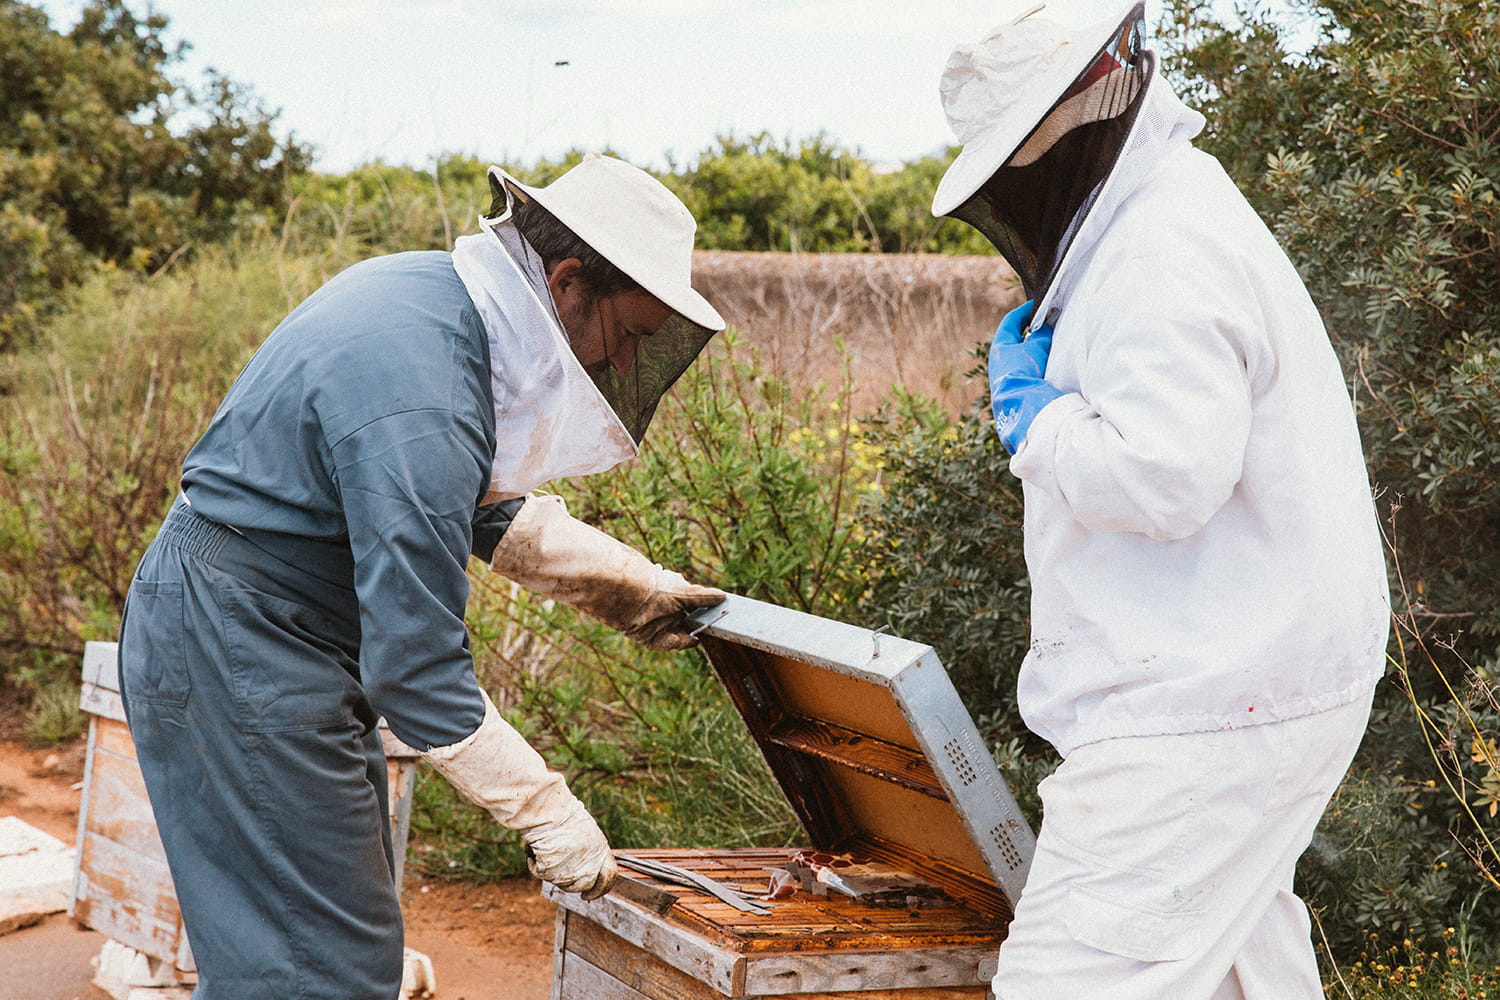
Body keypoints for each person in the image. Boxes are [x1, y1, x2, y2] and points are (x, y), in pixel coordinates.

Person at [117, 153, 728, 999]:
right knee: (311, 971)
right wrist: (546, 810)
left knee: (330, 945)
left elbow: (459, 497)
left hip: (262, 629)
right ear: (567, 281)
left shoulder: (433, 301)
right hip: (245, 639)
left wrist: (627, 584)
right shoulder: (424, 388)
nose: (624, 364)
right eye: (627, 335)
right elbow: (415, 667)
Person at [930, 3, 1389, 998]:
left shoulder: (1157, 248)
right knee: (1235, 976)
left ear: (1051, 145)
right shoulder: (1162, 216)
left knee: (1065, 981)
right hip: (1237, 683)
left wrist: (1036, 423)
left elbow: (1167, 474)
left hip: (1202, 711)